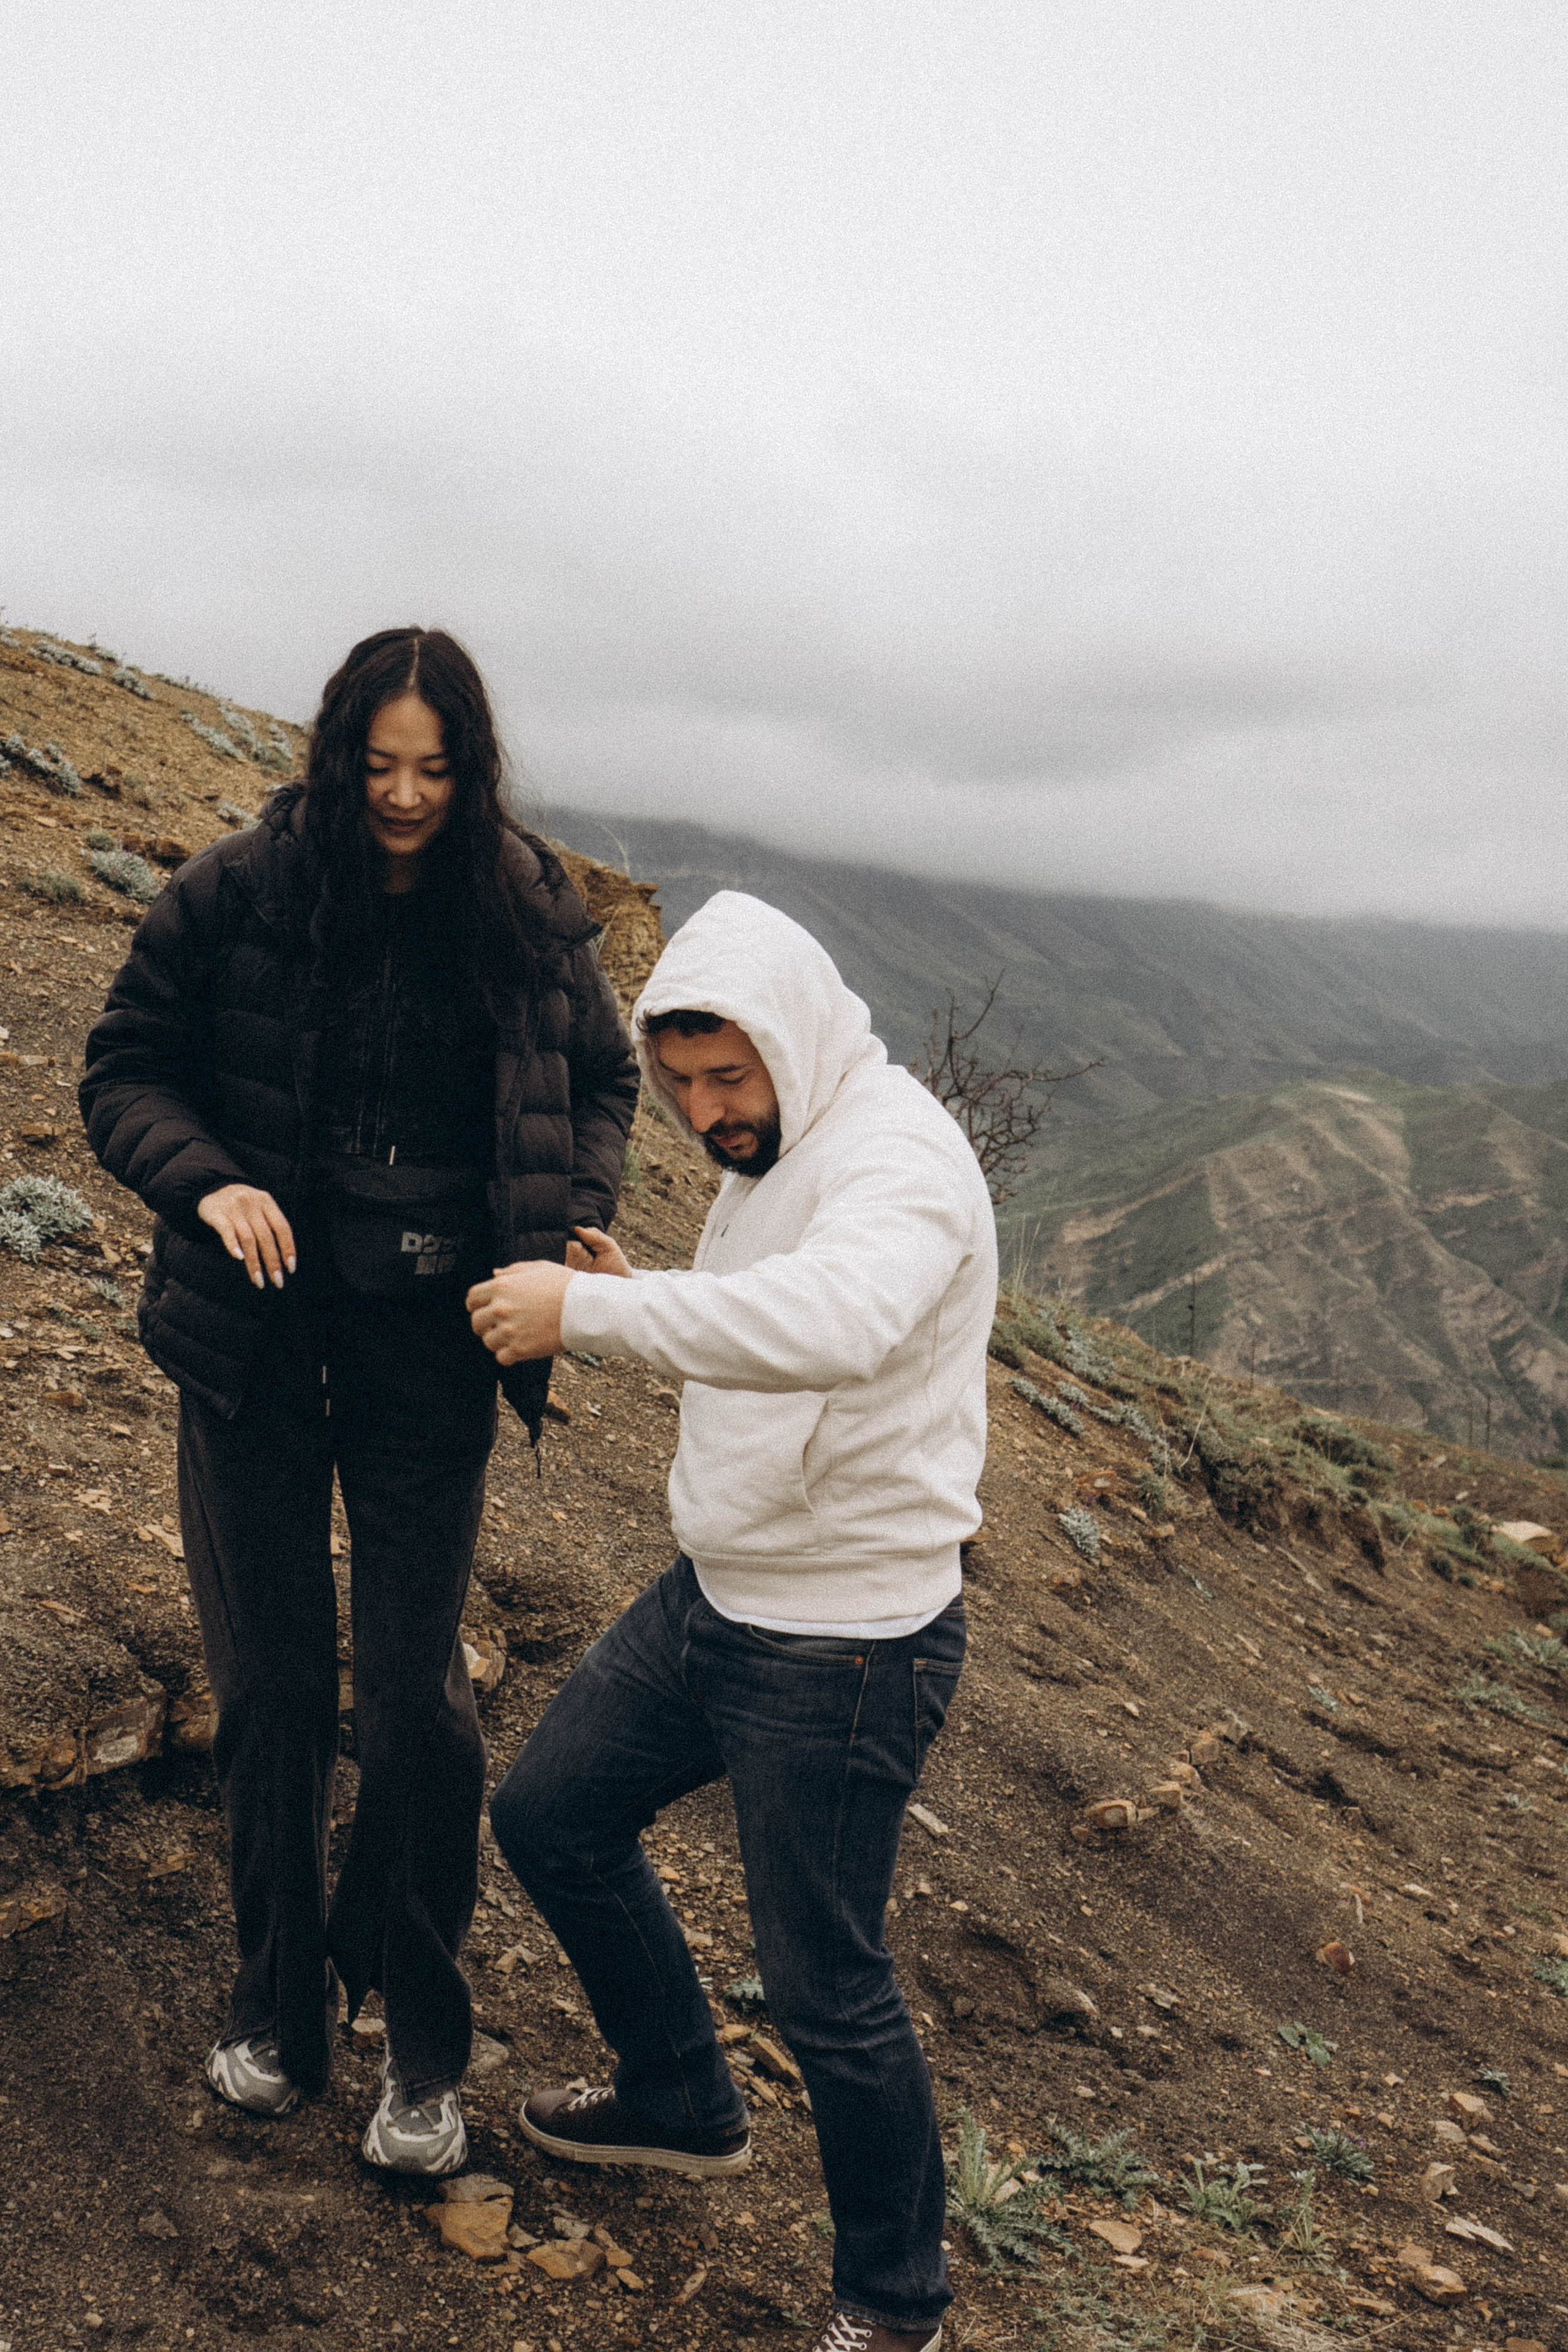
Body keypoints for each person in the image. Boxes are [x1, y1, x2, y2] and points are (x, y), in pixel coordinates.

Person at [80, 628, 639, 2173]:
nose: (405, 797)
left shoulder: (523, 904)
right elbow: (123, 1066)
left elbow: (599, 1081)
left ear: (473, 769)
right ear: (337, 754)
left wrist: (570, 1207)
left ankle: (420, 2036)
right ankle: (276, 2011)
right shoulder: (240, 888)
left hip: (433, 1340)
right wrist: (207, 1186)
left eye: (436, 769)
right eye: (380, 765)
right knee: (267, 1683)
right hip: (252, 1334)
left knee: (413, 1706)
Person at [468, 890, 997, 2352]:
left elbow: (835, 1320)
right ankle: (681, 2100)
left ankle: (894, 2309)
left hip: (846, 1643)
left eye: (730, 1079)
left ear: (798, 1039)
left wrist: (590, 1321)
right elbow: (776, 1307)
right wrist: (659, 1295)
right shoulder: (790, 1143)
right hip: (723, 1593)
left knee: (827, 1986)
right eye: (682, 1084)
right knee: (552, 1815)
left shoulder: (898, 1161)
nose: (707, 1114)